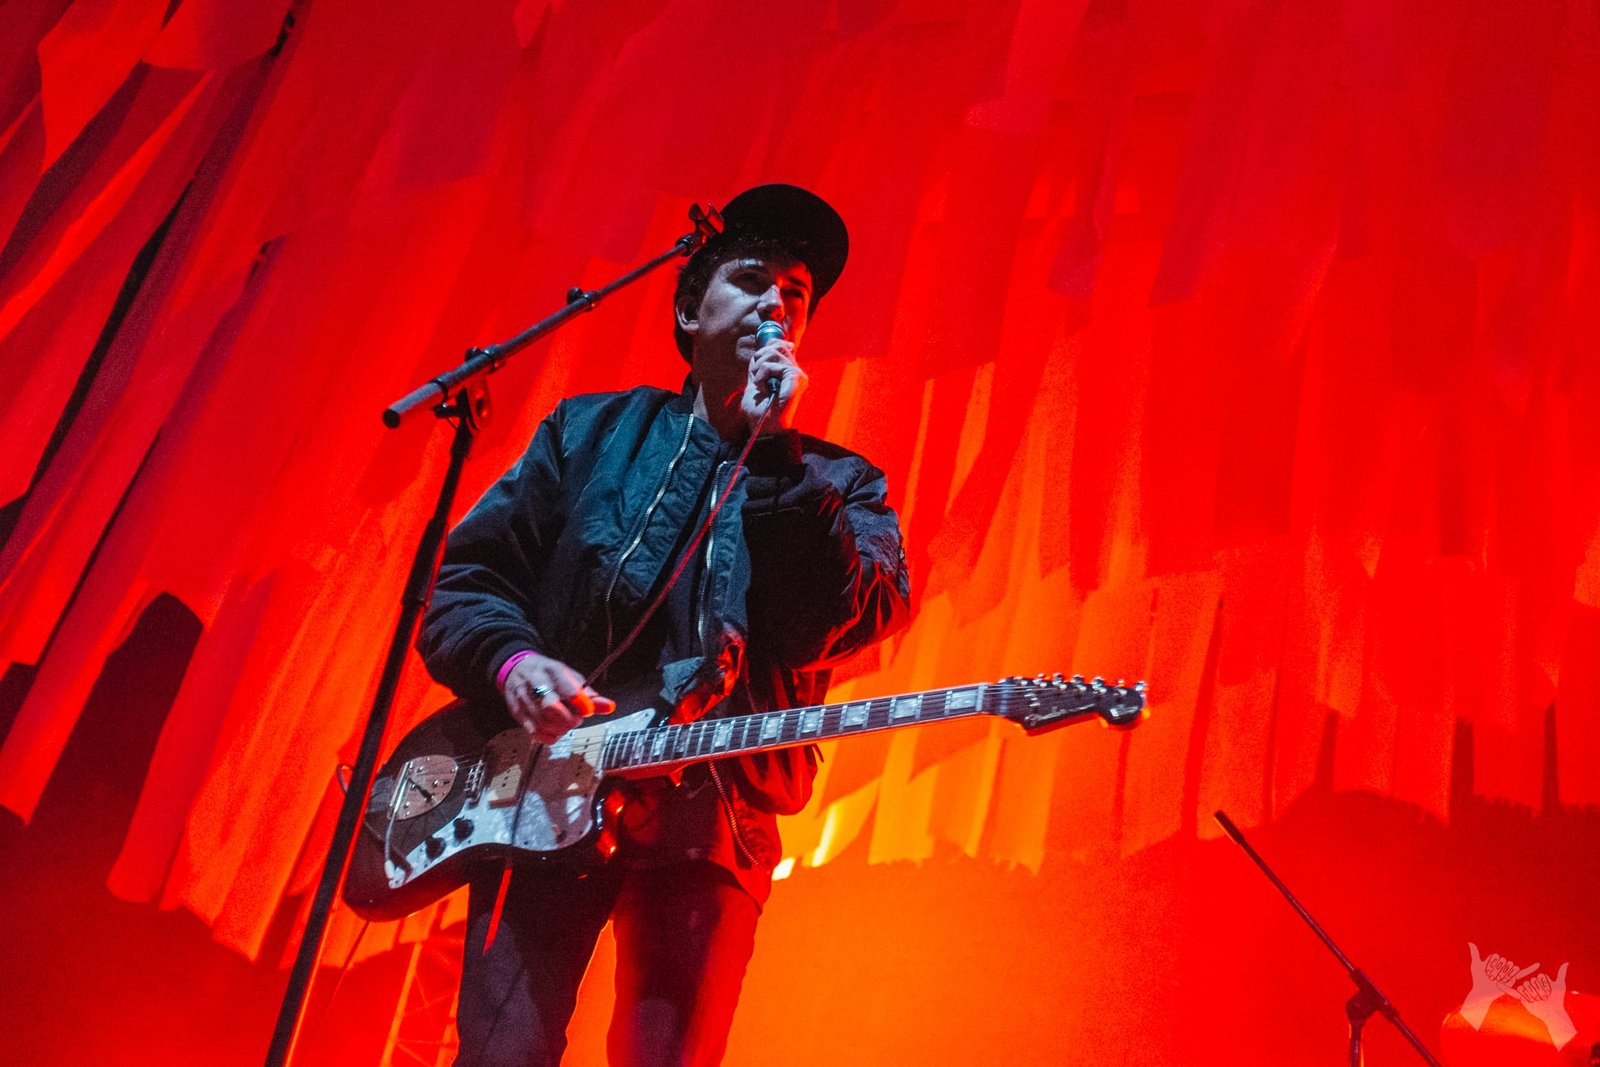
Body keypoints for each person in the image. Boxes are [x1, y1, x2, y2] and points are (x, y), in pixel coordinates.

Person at [416, 183, 913, 1066]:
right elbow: (465, 579)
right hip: (543, 790)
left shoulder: (840, 483)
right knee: (499, 1054)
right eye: (752, 279)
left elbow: (843, 622)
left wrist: (778, 461)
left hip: (713, 819)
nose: (777, 303)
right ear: (689, 309)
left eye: (796, 294)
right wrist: (513, 663)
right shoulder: (588, 432)